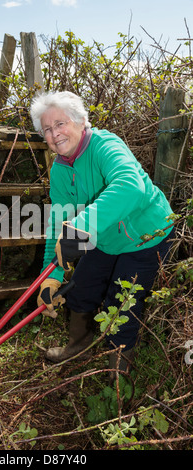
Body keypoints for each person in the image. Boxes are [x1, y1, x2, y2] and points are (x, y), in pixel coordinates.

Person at [30, 90, 174, 376]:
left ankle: (117, 379)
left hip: (145, 236)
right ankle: (77, 346)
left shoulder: (105, 145)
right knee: (80, 289)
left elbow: (130, 185)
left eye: (60, 123)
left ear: (81, 121)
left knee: (122, 303)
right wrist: (51, 277)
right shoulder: (59, 169)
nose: (54, 134)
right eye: (47, 129)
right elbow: (59, 222)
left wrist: (81, 227)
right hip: (105, 238)